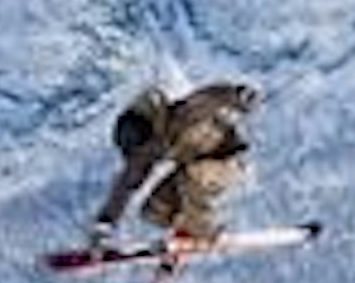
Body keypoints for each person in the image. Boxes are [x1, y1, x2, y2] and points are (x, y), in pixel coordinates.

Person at [90, 80, 261, 247]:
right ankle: (187, 230)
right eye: (139, 151)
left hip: (227, 163)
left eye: (145, 145)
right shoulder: (147, 150)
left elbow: (209, 97)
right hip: (195, 169)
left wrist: (237, 95)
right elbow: (125, 185)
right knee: (154, 211)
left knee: (192, 176)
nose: (146, 151)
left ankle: (205, 229)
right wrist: (105, 224)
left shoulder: (184, 114)